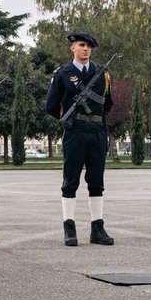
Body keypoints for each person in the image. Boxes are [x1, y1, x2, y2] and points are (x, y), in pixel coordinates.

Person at [45, 32, 114, 247]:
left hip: (96, 130)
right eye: (81, 45)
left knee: (96, 182)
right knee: (71, 180)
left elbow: (108, 103)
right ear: (73, 48)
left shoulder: (102, 73)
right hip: (75, 131)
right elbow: (51, 105)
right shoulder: (63, 74)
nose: (86, 49)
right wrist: (69, 120)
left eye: (89, 46)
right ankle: (69, 226)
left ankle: (97, 228)